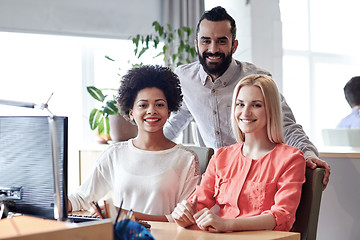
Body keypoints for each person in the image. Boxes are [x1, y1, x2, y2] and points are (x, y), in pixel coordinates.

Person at [163, 6, 330, 188]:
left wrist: (308, 153)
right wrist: (145, 149)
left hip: (256, 174)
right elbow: (174, 122)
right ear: (196, 44)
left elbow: (287, 126)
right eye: (206, 41)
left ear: (234, 46)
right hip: (214, 178)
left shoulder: (257, 80)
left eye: (221, 41)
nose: (213, 49)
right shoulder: (185, 79)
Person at [172, 74, 306, 232]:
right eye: (240, 104)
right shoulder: (221, 156)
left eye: (256, 105)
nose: (246, 112)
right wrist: (184, 213)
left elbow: (282, 216)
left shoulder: (291, 159)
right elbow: (198, 202)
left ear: (271, 109)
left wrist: (227, 224)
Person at [68, 65, 201, 222]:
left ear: (169, 111)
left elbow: (184, 218)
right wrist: (49, 203)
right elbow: (81, 197)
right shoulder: (114, 154)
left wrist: (124, 214)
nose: (152, 110)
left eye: (159, 104)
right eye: (143, 105)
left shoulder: (186, 159)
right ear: (131, 112)